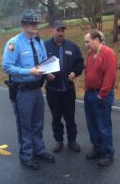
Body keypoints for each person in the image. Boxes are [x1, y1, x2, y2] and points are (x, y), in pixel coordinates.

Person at [2, 9, 55, 170]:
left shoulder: (39, 42)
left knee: (38, 122)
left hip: (37, 90)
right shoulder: (14, 43)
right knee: (25, 124)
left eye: (36, 23)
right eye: (31, 23)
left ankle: (38, 150)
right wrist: (28, 71)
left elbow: (44, 62)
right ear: (23, 25)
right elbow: (7, 67)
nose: (35, 26)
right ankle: (26, 155)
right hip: (22, 91)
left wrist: (48, 73)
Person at [44, 20, 84, 153]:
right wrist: (46, 74)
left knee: (70, 117)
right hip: (53, 90)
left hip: (68, 89)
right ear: (53, 31)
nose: (61, 33)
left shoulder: (72, 46)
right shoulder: (45, 46)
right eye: (58, 30)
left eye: (63, 30)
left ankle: (72, 140)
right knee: (56, 117)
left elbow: (79, 62)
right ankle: (58, 140)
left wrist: (75, 72)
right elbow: (39, 64)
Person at [83, 29, 118, 167]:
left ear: (96, 40)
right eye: (85, 42)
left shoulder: (108, 54)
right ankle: (98, 148)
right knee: (91, 124)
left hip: (101, 95)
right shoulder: (90, 53)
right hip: (89, 94)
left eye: (88, 41)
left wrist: (101, 95)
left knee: (103, 126)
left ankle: (108, 153)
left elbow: (110, 78)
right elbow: (88, 73)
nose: (85, 45)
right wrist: (87, 90)